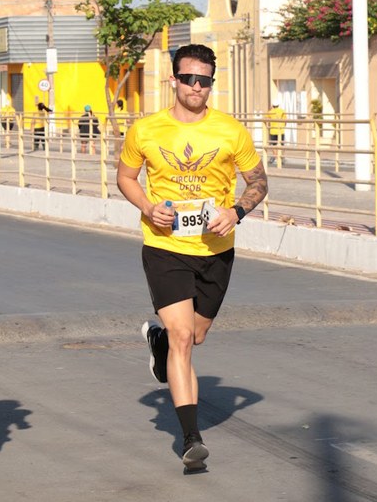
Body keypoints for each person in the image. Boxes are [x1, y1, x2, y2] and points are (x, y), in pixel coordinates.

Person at [117, 44, 268, 473]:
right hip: (165, 246)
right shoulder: (146, 130)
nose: (197, 87)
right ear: (174, 80)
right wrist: (147, 207)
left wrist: (236, 212)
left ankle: (159, 342)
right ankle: (190, 439)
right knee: (184, 338)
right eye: (189, 79)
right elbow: (125, 177)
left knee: (194, 336)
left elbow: (258, 181)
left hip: (215, 250)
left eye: (205, 80)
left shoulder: (229, 130)